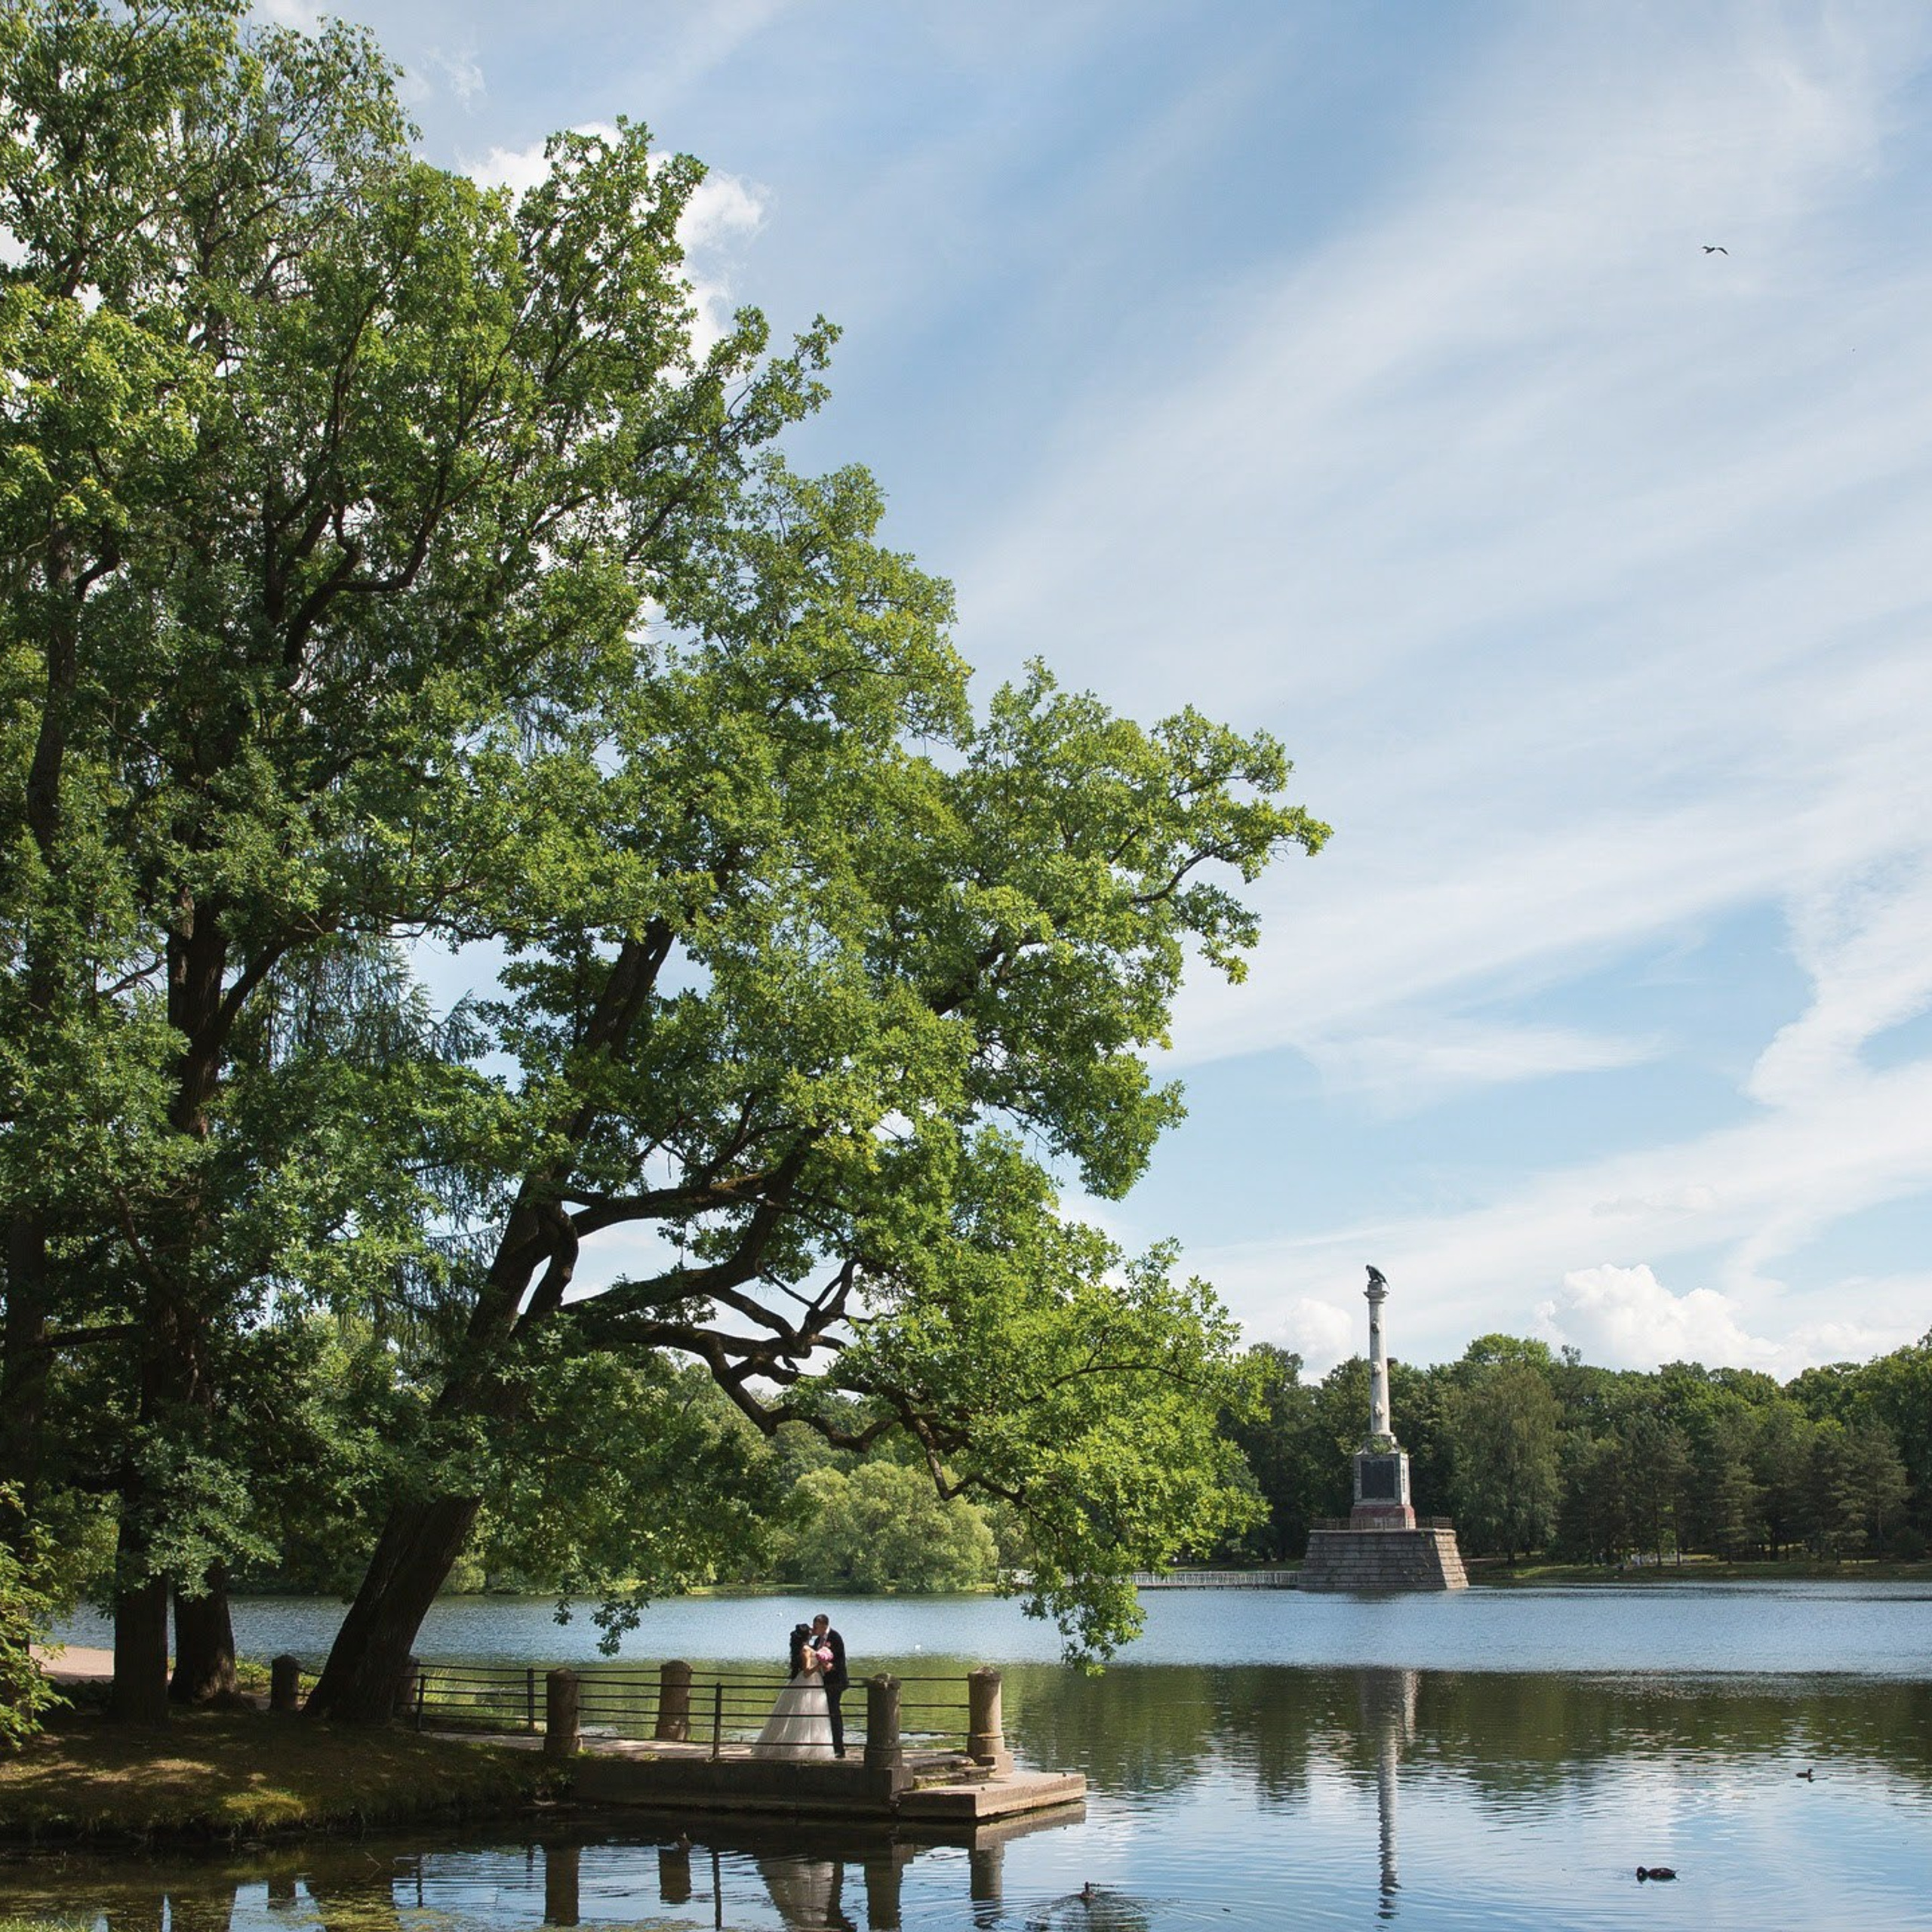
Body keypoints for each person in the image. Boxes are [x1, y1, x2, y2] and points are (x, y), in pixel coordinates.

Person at [755, 1623, 835, 1758]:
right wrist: (820, 1665)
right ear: (806, 1635)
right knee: (804, 1712)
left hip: (814, 1682)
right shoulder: (805, 1650)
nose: (812, 1630)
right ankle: (800, 1747)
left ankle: (810, 1745)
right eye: (810, 1629)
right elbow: (806, 1672)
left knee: (811, 1713)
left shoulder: (806, 1648)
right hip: (808, 1682)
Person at [811, 1612, 850, 1759]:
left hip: (836, 1681)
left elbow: (840, 1660)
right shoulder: (818, 1640)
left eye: (816, 1626)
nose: (814, 1629)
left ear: (824, 1625)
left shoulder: (835, 1637)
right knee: (826, 1712)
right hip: (824, 1682)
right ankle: (828, 1745)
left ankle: (839, 1748)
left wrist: (830, 1666)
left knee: (834, 1712)